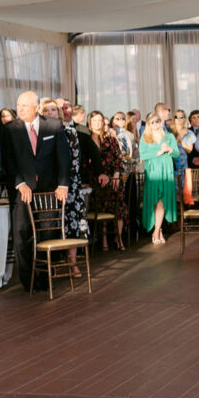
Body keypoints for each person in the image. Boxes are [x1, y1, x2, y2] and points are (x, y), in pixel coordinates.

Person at [0, 91, 70, 290]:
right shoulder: (9, 129)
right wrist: (20, 183)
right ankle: (28, 280)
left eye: (24, 106)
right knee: (22, 235)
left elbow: (63, 158)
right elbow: (8, 160)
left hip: (48, 192)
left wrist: (63, 184)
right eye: (18, 105)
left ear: (37, 107)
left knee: (46, 233)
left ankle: (44, 275)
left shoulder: (54, 126)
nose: (19, 109)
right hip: (21, 191)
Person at [52, 99, 106, 275]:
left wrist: (101, 172)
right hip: (51, 184)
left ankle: (72, 263)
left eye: (67, 107)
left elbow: (93, 153)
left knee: (74, 223)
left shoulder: (80, 131)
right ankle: (53, 263)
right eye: (61, 108)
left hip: (73, 183)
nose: (64, 110)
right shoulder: (46, 130)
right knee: (54, 225)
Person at [88, 111, 128, 251]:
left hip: (113, 178)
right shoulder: (86, 139)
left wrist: (116, 174)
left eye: (100, 121)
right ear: (89, 123)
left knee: (119, 208)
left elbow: (119, 158)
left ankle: (119, 238)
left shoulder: (110, 139)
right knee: (101, 207)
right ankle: (104, 239)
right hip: (95, 180)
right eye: (94, 121)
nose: (98, 124)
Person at [138, 113, 178, 244]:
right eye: (152, 122)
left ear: (161, 122)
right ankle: (158, 230)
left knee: (162, 201)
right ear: (148, 124)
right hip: (153, 173)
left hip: (166, 173)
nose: (155, 124)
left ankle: (156, 231)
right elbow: (143, 155)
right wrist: (159, 152)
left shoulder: (169, 136)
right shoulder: (145, 138)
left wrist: (170, 149)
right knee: (154, 201)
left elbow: (177, 154)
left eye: (157, 121)